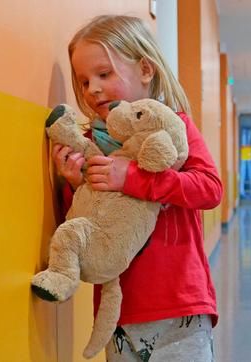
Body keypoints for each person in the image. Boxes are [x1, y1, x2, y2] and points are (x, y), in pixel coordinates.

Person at [51, 15, 222, 361]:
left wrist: (133, 179)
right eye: (83, 81)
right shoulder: (90, 144)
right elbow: (87, 217)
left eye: (104, 74)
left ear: (145, 69)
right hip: (120, 311)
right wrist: (73, 183)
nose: (92, 89)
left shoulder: (174, 126)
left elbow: (210, 188)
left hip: (180, 306)